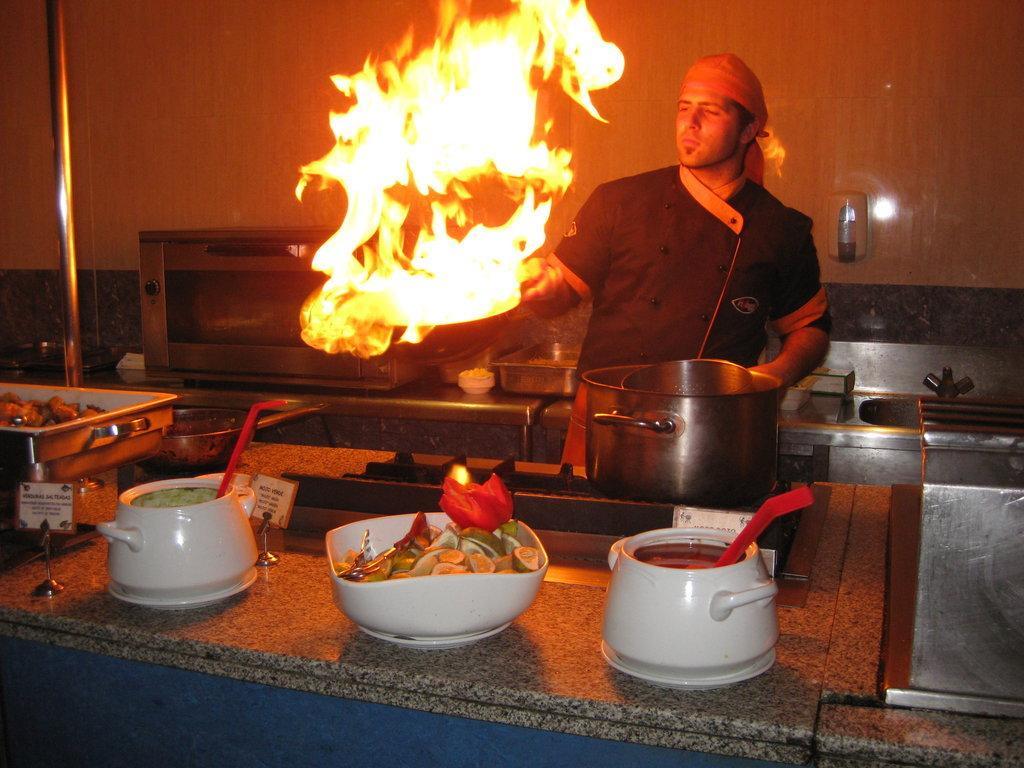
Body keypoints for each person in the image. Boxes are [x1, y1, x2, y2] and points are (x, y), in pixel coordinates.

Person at [519, 53, 831, 468]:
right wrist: (536, 284)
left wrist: (776, 376)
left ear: (748, 130)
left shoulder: (780, 228)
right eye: (684, 108)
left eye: (710, 111)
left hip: (711, 428)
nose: (690, 122)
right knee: (588, 529)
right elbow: (560, 292)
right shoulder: (618, 202)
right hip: (607, 420)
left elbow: (810, 328)